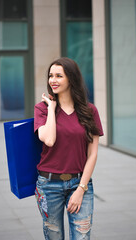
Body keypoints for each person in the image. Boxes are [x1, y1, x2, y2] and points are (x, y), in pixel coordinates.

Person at [34, 57, 103, 240]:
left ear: (71, 78)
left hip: (80, 183)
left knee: (82, 237)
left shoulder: (90, 111)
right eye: (50, 76)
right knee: (54, 237)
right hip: (49, 185)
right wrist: (51, 109)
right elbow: (48, 139)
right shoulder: (41, 109)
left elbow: (93, 154)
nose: (52, 80)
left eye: (59, 76)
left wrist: (81, 189)